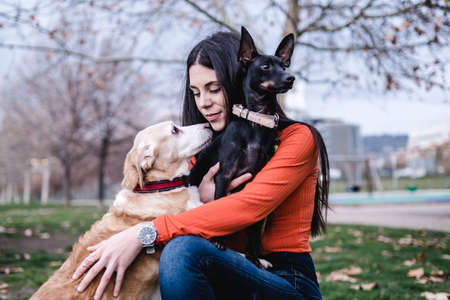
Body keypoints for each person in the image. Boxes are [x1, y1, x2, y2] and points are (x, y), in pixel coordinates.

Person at [72, 31, 329, 300]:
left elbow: (249, 207)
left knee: (182, 251)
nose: (204, 102)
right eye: (196, 92)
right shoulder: (201, 157)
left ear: (240, 76)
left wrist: (144, 232)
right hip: (222, 273)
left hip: (286, 280)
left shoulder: (297, 139)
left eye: (214, 89)